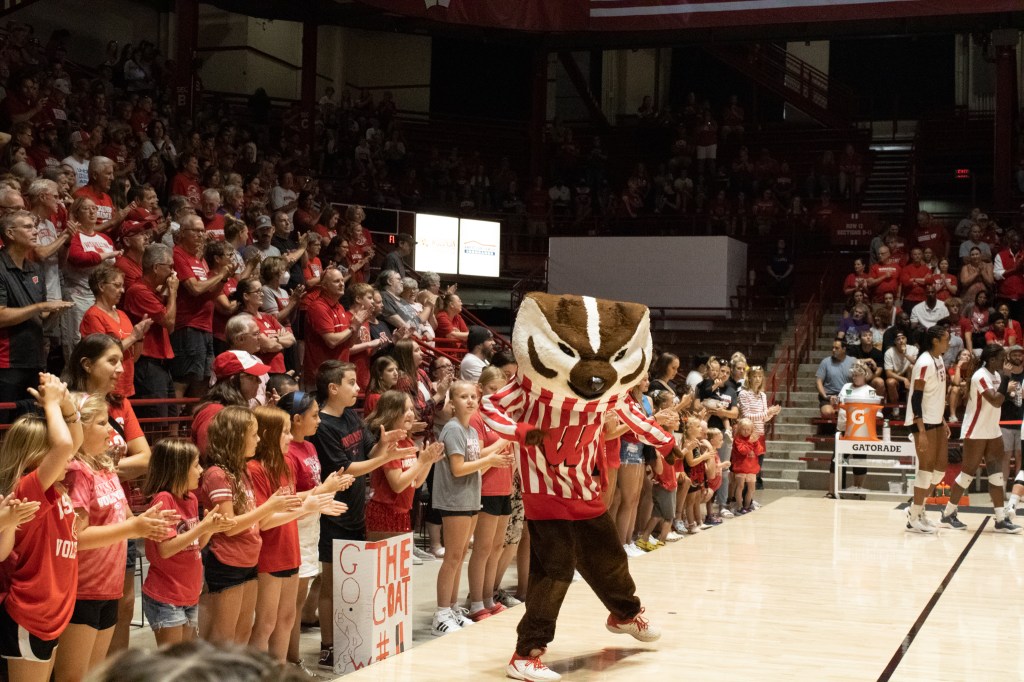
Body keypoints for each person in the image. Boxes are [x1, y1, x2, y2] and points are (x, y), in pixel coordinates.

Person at [54, 394, 173, 682]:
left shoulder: (105, 469)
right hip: (82, 588)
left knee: (94, 673)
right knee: (73, 677)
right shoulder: (77, 473)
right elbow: (77, 537)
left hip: (108, 587)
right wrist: (134, 529)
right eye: (101, 423)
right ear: (79, 429)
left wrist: (147, 523)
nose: (110, 430)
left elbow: (123, 518)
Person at [308, 360, 415, 670]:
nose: (358, 388)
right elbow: (347, 468)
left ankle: (347, 639)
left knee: (349, 584)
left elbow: (369, 454)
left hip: (356, 512)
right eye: (352, 383)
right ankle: (328, 646)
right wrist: (386, 456)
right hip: (333, 513)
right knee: (331, 584)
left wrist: (384, 444)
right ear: (333, 388)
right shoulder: (325, 426)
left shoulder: (352, 419)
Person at [0, 373, 82, 680]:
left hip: (51, 611)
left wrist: (66, 404)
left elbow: (70, 443)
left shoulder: (54, 488)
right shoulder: (25, 489)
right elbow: (63, 445)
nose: (68, 459)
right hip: (30, 612)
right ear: (37, 455)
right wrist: (52, 405)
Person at [197, 406, 301, 645]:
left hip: (249, 558)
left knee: (243, 633)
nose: (259, 439)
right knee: (224, 637)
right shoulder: (217, 474)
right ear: (236, 437)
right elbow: (229, 526)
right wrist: (269, 507)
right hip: (227, 561)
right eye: (253, 434)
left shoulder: (241, 470)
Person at [248, 406, 345, 662]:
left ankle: (280, 672)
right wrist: (310, 503)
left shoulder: (286, 463)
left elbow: (292, 500)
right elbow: (265, 521)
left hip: (292, 549)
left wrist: (319, 497)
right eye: (286, 432)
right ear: (268, 434)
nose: (291, 438)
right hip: (270, 555)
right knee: (266, 623)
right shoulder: (255, 469)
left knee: (288, 618)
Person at [278, 390, 355, 669]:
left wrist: (329, 492)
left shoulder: (309, 447)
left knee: (296, 607)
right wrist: (326, 489)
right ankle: (287, 663)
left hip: (312, 528)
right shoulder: (286, 455)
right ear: (296, 419)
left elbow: (314, 491)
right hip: (293, 529)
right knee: (288, 608)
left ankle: (292, 661)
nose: (319, 421)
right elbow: (287, 499)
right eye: (313, 416)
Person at [431, 380, 516, 636]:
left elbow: (476, 460)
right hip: (454, 500)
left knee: (459, 557)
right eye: (463, 397)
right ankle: (441, 613)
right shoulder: (454, 429)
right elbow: (458, 469)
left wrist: (493, 454)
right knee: (452, 558)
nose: (469, 401)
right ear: (452, 403)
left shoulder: (468, 431)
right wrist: (489, 459)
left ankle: (453, 607)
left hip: (469, 499)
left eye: (472, 397)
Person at [141, 438, 235, 646]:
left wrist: (210, 529)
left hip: (189, 594)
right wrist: (202, 527)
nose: (201, 470)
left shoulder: (191, 499)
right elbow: (166, 549)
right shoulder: (163, 500)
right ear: (178, 468)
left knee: (184, 660)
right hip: (166, 596)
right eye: (195, 465)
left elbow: (195, 545)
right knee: (172, 666)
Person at [941, 345, 1021, 533]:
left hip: (993, 430)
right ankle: (947, 513)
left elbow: (1001, 397)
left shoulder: (998, 375)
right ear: (992, 359)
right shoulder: (980, 376)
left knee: (996, 474)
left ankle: (1000, 519)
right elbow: (995, 400)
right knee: (967, 474)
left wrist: (1008, 389)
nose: (1005, 362)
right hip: (976, 430)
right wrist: (1007, 381)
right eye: (1002, 358)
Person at [0, 210, 71, 411]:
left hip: (36, 358)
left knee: (33, 423)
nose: (35, 231)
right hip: (7, 362)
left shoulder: (35, 269)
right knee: (6, 424)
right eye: (28, 227)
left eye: (35, 226)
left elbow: (40, 317)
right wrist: (41, 306)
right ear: (10, 234)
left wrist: (55, 312)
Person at [465, 367, 515, 621]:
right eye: (493, 389)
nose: (497, 394)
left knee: (496, 547)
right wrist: (505, 440)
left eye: (501, 389)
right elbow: (477, 454)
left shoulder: (503, 416)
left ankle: (488, 597)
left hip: (504, 486)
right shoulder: (476, 418)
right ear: (481, 389)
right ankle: (475, 603)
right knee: (483, 548)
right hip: (485, 487)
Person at [364, 391, 443, 533]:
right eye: (404, 410)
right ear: (391, 413)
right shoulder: (391, 444)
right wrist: (421, 462)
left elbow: (416, 482)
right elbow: (398, 485)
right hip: (384, 512)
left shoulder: (408, 441)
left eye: (411, 409)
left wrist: (428, 461)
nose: (410, 414)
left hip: (403, 512)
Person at [172, 214, 232, 399]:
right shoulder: (178, 254)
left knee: (204, 379)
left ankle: (193, 423)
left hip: (206, 327)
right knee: (184, 379)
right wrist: (219, 274)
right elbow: (195, 289)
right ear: (182, 233)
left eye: (202, 231)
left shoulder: (198, 260)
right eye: (196, 231)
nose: (200, 235)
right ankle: (172, 428)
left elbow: (211, 294)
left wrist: (222, 278)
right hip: (188, 325)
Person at [123, 243, 178, 426]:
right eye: (169, 266)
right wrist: (173, 293)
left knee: (169, 420)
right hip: (147, 364)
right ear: (156, 267)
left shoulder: (152, 293)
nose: (172, 272)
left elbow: (169, 328)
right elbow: (169, 321)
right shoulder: (138, 291)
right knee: (155, 423)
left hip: (161, 364)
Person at [80, 264, 152, 399]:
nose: (122, 290)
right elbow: (101, 355)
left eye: (123, 286)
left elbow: (134, 357)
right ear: (101, 286)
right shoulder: (93, 316)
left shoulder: (122, 315)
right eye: (117, 285)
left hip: (125, 387)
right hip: (104, 390)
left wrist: (140, 337)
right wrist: (133, 337)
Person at [905, 325, 951, 533]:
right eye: (946, 340)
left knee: (940, 469)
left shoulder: (938, 359)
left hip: (937, 419)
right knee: (925, 469)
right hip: (923, 421)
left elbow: (937, 393)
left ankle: (919, 509)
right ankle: (914, 516)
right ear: (935, 341)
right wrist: (921, 430)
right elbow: (917, 397)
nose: (948, 343)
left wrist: (943, 419)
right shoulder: (924, 363)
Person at [302, 267, 366, 388]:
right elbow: (332, 341)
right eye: (336, 281)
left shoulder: (340, 307)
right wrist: (353, 327)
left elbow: (349, 344)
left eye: (342, 280)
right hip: (322, 378)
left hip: (340, 374)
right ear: (324, 286)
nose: (342, 284)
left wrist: (357, 326)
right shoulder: (318, 307)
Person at [816, 340, 856, 418]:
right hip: (829, 395)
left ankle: (839, 412)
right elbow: (818, 381)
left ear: (844, 349)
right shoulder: (825, 362)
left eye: (837, 348)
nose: (833, 350)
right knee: (827, 412)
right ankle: (837, 412)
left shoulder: (853, 361)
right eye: (833, 348)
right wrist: (825, 396)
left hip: (846, 396)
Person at [884, 331, 919, 411]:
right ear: (895, 342)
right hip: (897, 377)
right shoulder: (889, 352)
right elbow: (888, 373)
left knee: (912, 367)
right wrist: (904, 379)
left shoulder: (913, 349)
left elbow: (917, 364)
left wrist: (905, 354)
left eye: (903, 338)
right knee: (890, 382)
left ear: (906, 339)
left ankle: (910, 404)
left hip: (910, 375)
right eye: (898, 339)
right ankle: (895, 408)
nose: (901, 341)